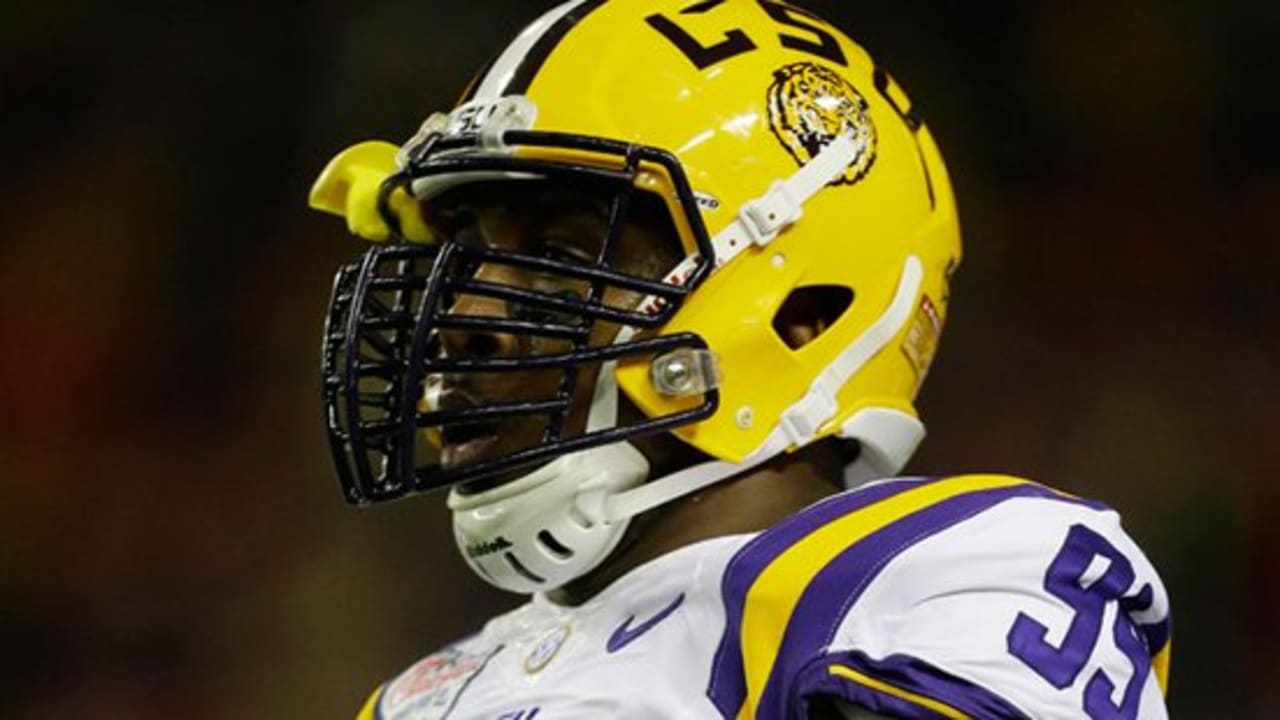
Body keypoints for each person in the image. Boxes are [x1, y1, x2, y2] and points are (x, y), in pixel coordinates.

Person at [309, 1, 1172, 717]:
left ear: (802, 315)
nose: (462, 315)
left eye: (564, 257)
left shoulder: (934, 579)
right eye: (461, 260)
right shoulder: (415, 697)